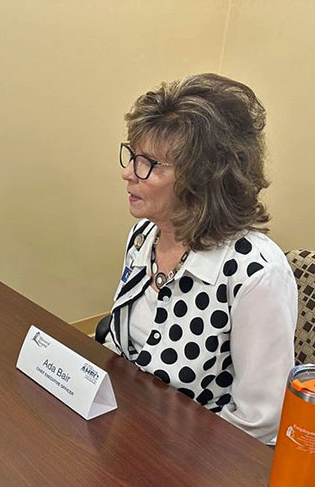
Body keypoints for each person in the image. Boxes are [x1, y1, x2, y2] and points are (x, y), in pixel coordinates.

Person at [102, 73, 296, 444]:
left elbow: (261, 423)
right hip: (131, 434)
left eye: (150, 164)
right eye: (132, 155)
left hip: (198, 467)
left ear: (204, 178)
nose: (128, 173)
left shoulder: (255, 273)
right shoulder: (145, 234)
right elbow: (119, 347)